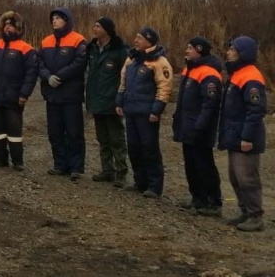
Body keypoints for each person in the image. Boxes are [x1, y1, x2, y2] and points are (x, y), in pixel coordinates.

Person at [115, 26, 173, 199]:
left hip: (147, 114)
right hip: (131, 111)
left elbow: (165, 87)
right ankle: (140, 181)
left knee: (149, 148)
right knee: (134, 147)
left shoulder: (159, 62)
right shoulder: (132, 59)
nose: (135, 40)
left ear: (149, 41)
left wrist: (157, 110)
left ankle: (154, 186)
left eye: (139, 38)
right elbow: (123, 82)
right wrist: (120, 101)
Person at [0, 11, 37, 170]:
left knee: (14, 129)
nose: (7, 28)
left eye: (11, 25)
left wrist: (24, 93)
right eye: (5, 25)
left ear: (18, 29)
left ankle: (18, 161)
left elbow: (31, 74)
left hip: (14, 97)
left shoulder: (26, 48)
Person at [219, 36, 267, 232]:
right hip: (235, 135)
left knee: (247, 178)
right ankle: (245, 211)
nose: (228, 52)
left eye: (232, 49)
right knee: (235, 176)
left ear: (243, 53)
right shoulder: (237, 74)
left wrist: (247, 137)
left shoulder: (251, 77)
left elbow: (255, 110)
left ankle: (256, 216)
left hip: (245, 138)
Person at [172, 37, 223, 216]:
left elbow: (210, 104)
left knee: (204, 164)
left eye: (190, 48)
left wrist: (199, 126)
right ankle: (198, 198)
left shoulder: (209, 73)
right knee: (190, 164)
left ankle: (213, 201)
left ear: (199, 50)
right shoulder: (189, 69)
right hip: (187, 125)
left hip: (199, 129)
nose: (187, 50)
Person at [38, 7, 88, 180]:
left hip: (70, 94)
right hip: (52, 94)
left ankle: (76, 167)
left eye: (58, 18)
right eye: (53, 18)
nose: (55, 21)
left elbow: (80, 63)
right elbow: (39, 63)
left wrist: (60, 76)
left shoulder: (78, 40)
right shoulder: (46, 42)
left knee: (74, 132)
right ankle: (60, 164)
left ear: (67, 20)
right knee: (55, 132)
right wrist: (47, 76)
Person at [85, 17, 129, 187]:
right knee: (102, 138)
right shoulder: (93, 48)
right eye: (94, 25)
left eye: (98, 26)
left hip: (112, 101)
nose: (95, 29)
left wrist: (120, 99)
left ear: (107, 29)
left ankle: (121, 173)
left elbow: (125, 76)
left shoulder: (119, 51)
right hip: (96, 99)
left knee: (116, 139)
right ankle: (107, 170)